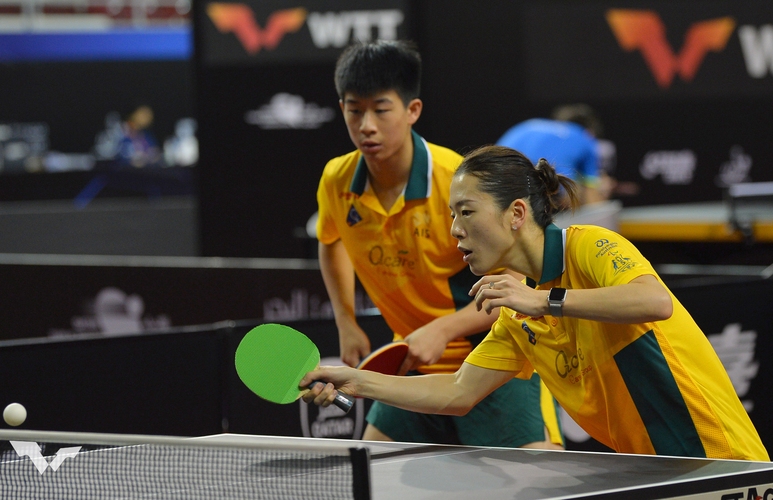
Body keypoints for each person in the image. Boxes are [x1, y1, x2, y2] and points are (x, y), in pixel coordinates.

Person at [304, 145, 769, 460]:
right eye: (451, 215)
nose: (454, 231)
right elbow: (457, 392)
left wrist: (545, 302)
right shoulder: (514, 314)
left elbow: (654, 301)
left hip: (718, 462)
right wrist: (356, 380)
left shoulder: (585, 246)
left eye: (466, 212)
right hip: (654, 473)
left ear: (516, 214)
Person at [315, 41, 563, 449]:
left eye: (381, 109)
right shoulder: (336, 180)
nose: (366, 125)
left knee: (538, 482)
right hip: (411, 360)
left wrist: (445, 328)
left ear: (412, 111)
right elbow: (331, 241)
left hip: (496, 357)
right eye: (353, 109)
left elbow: (518, 277)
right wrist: (345, 321)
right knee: (365, 476)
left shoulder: (456, 180)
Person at [496, 104, 606, 206]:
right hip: (520, 184)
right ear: (590, 132)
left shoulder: (530, 125)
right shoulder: (586, 138)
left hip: (494, 180)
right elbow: (592, 200)